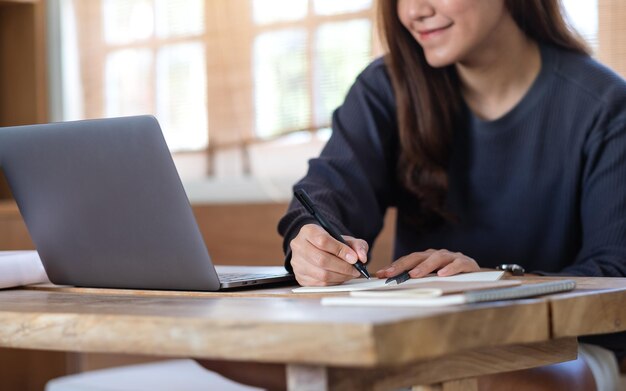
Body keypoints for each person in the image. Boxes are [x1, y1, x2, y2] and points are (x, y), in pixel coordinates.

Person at [274, 0, 626, 390]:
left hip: (563, 346)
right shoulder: (386, 87)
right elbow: (326, 192)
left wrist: (493, 284)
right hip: (412, 338)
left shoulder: (605, 105)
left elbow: (616, 275)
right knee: (223, 349)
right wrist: (309, 241)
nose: (413, 11)